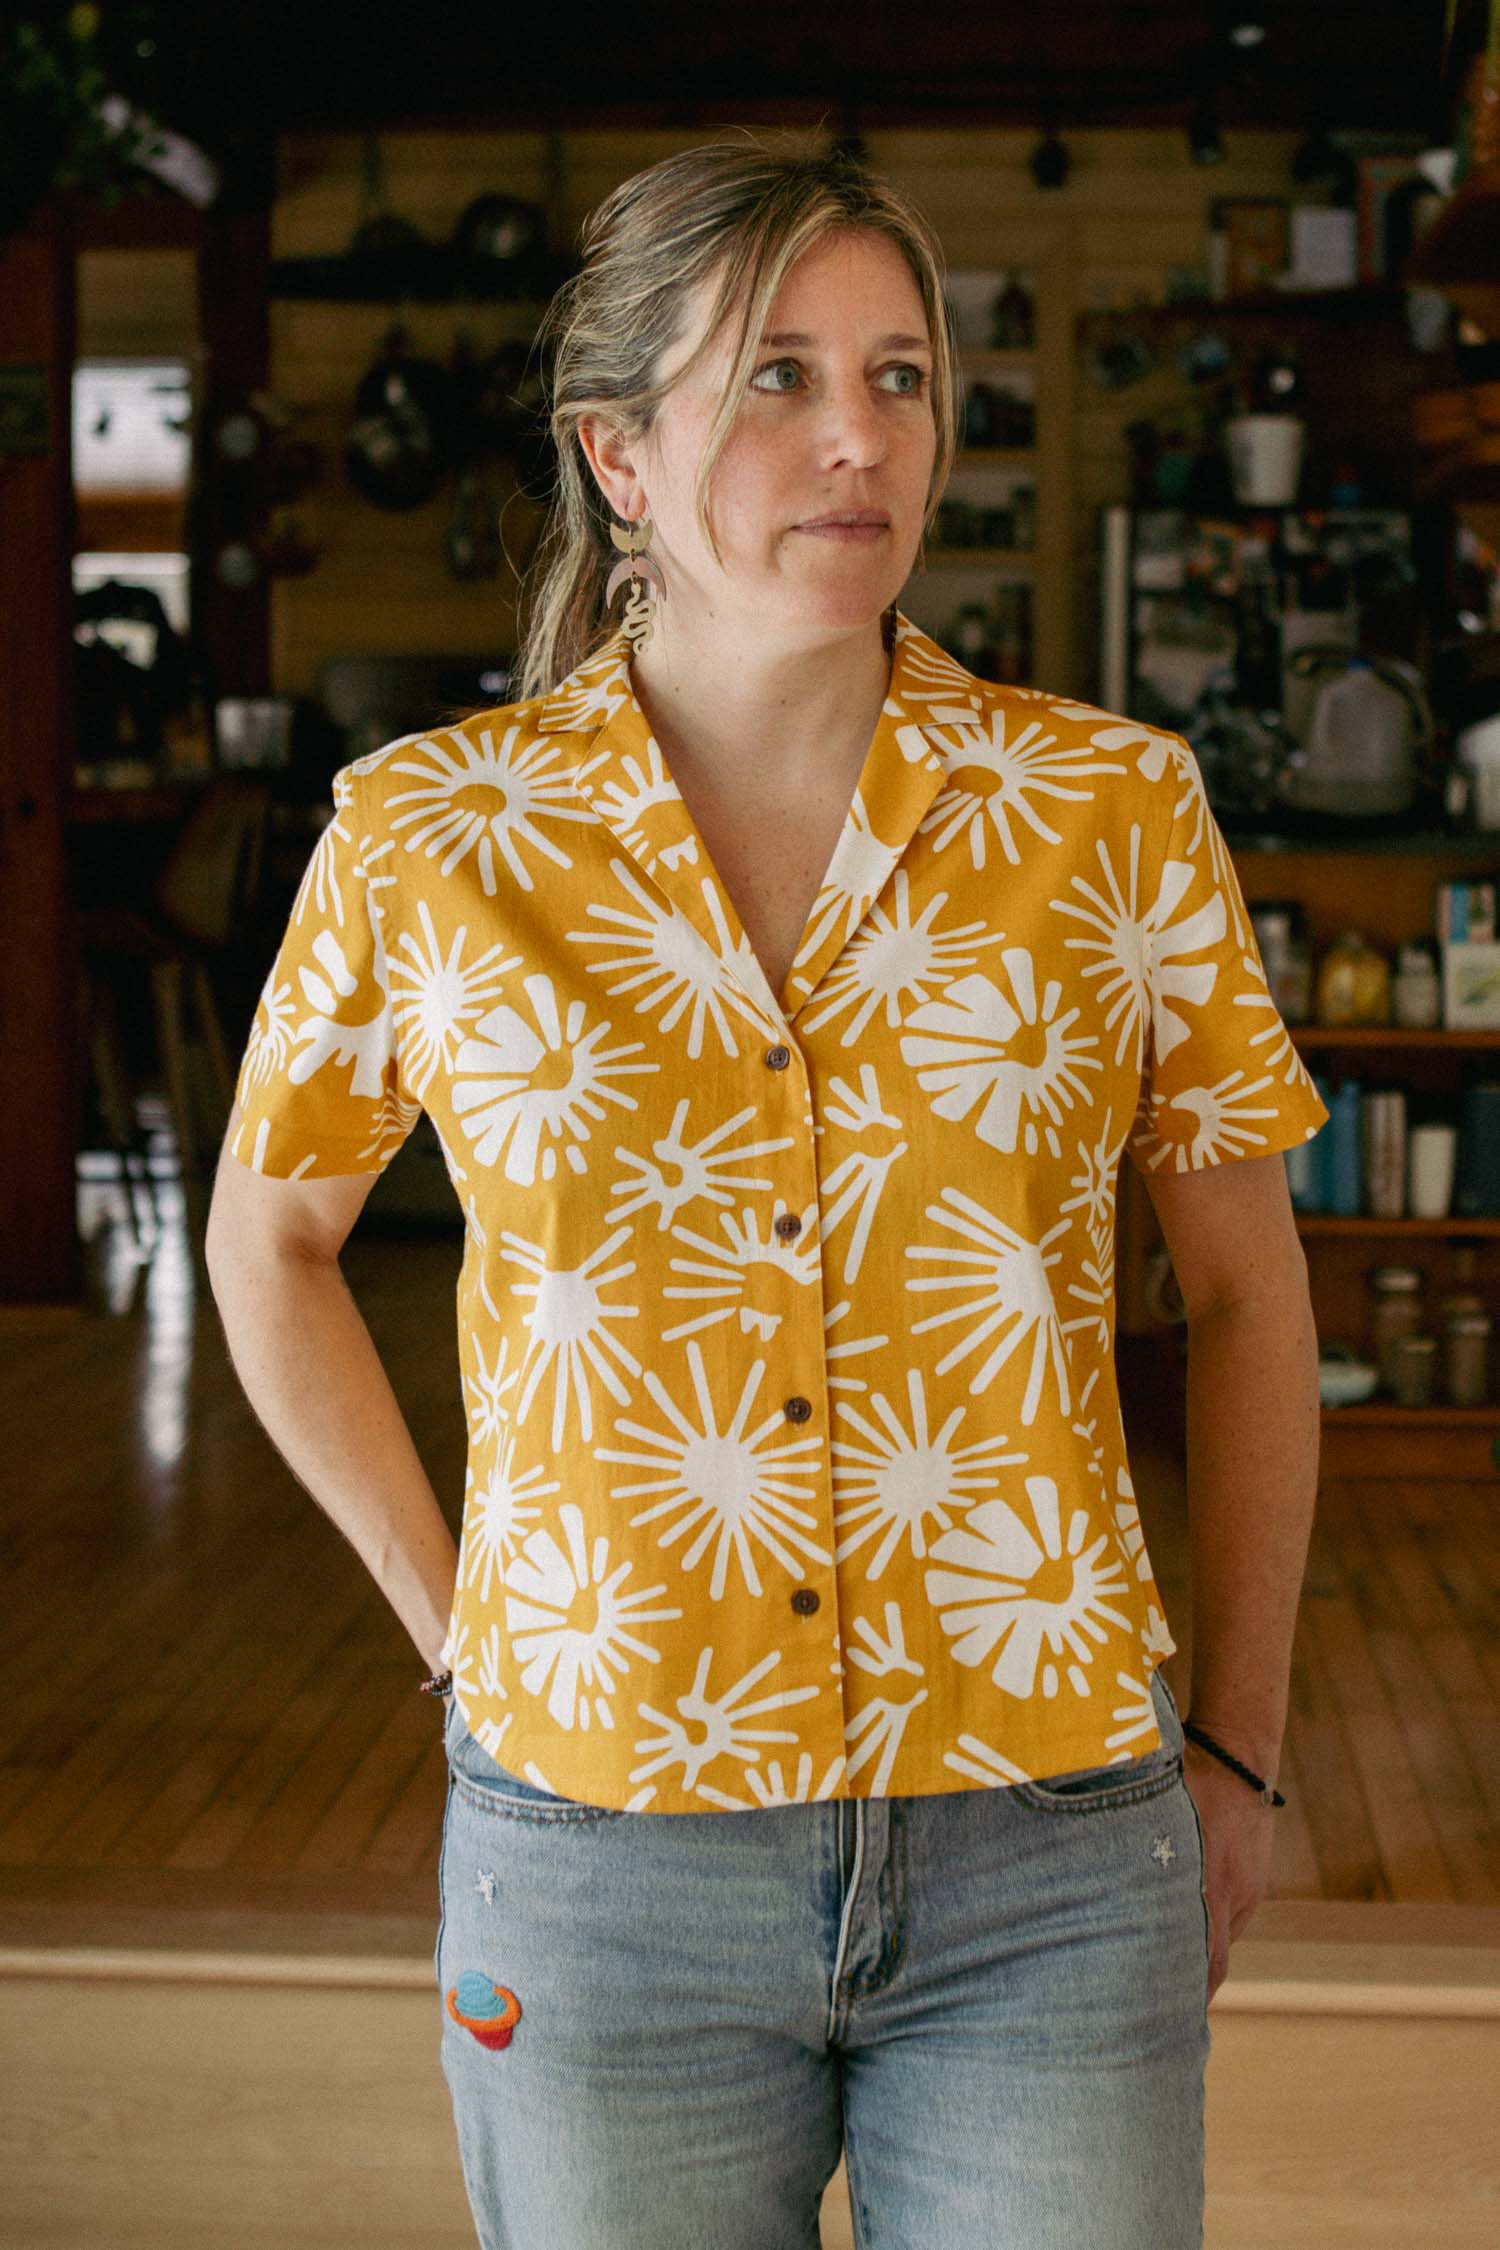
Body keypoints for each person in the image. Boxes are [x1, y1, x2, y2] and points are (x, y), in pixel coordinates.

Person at [206, 134, 1326, 2250]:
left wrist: (1241, 1758)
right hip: (603, 1853)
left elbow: (1254, 1299)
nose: (856, 438)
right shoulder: (430, 837)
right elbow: (267, 1242)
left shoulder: (1110, 813)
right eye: (779, 377)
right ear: (617, 456)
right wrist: (467, 1641)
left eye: (899, 375)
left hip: (1050, 1852)